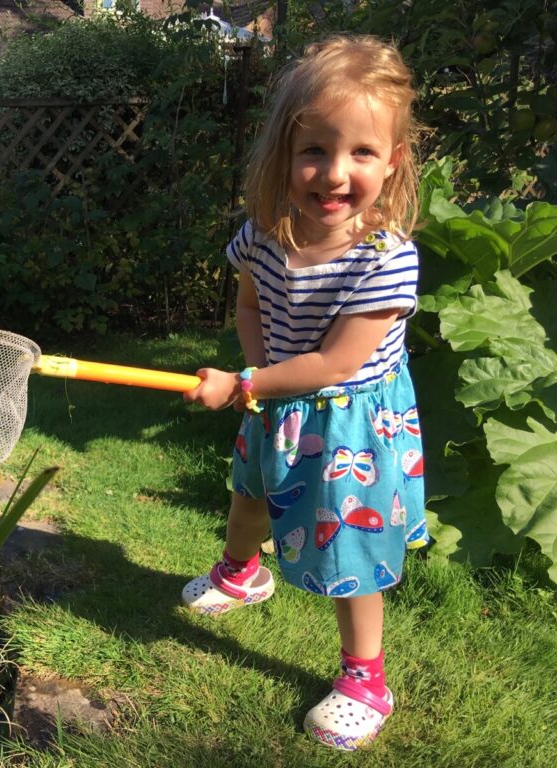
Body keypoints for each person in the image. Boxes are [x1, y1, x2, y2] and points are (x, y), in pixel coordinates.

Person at [180, 35, 428, 751]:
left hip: (348, 424)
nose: (334, 173)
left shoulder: (386, 259)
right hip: (277, 400)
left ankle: (365, 678)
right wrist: (255, 381)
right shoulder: (264, 234)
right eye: (315, 150)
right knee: (248, 494)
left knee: (348, 547)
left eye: (361, 153)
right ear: (284, 155)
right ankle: (242, 572)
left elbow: (335, 362)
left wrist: (247, 382)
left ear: (394, 161)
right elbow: (252, 307)